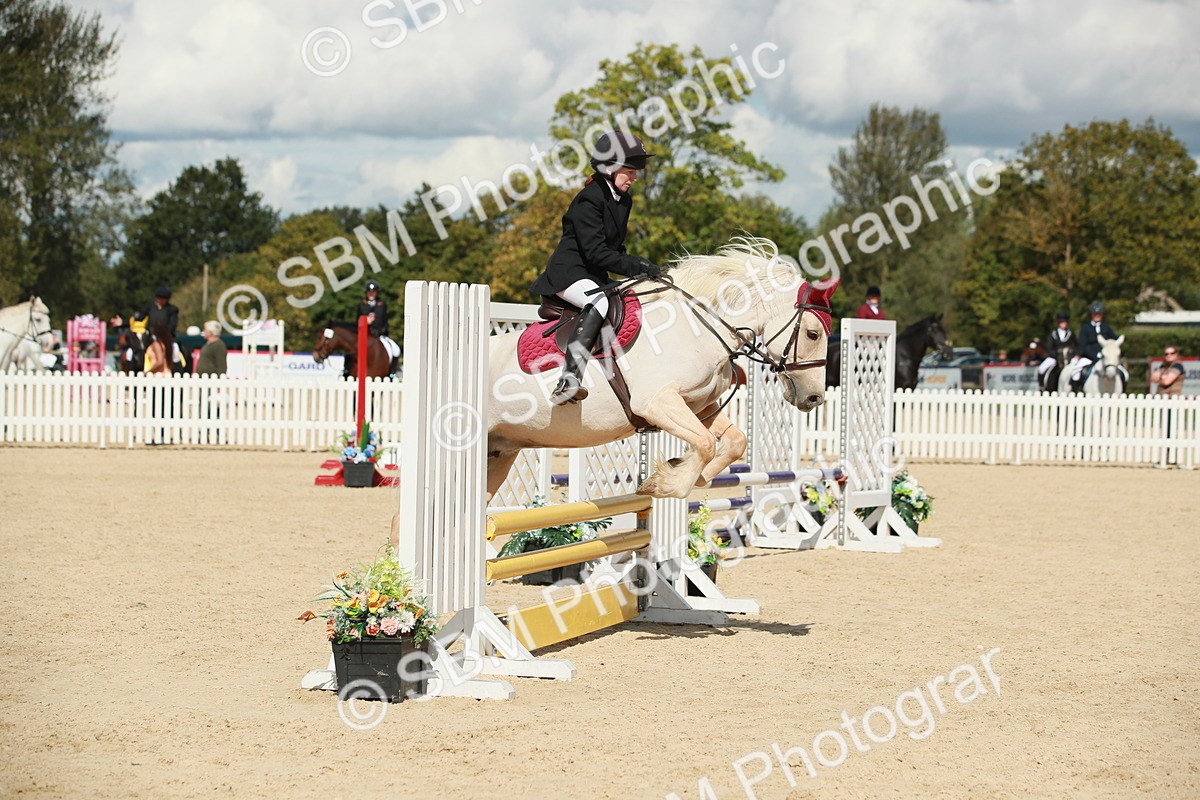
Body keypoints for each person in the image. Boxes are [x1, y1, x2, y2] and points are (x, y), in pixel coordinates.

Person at [529, 130, 664, 404]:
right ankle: (569, 378)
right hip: (569, 274)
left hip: (594, 274)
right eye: (630, 171)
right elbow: (596, 252)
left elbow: (615, 249)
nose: (636, 177)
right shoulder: (588, 199)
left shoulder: (623, 200)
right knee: (600, 303)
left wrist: (642, 269)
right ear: (611, 168)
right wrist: (636, 264)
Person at [1070, 301, 1117, 391]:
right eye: (1095, 314)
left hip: (1105, 357)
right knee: (1076, 373)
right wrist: (1094, 355)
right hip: (1088, 357)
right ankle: (1077, 391)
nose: (1097, 316)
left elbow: (1113, 340)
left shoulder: (1106, 327)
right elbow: (1082, 345)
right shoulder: (1086, 327)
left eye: (1099, 314)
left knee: (1123, 373)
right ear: (1092, 315)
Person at [357, 279, 399, 361]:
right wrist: (366, 322)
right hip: (364, 335)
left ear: (376, 293)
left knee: (396, 350)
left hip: (380, 335)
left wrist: (380, 331)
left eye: (373, 292)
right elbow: (357, 321)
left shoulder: (382, 305)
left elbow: (385, 321)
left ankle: (392, 372)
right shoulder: (362, 305)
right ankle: (346, 370)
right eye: (369, 291)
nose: (371, 294)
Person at [1038, 312, 1077, 382]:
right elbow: (1049, 347)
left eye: (1065, 322)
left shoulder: (1071, 333)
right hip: (1055, 357)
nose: (1063, 323)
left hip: (1068, 357)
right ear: (1058, 323)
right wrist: (1056, 355)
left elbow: (1076, 345)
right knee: (1041, 368)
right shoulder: (1053, 334)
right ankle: (1042, 385)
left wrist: (1073, 354)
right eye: (1062, 322)